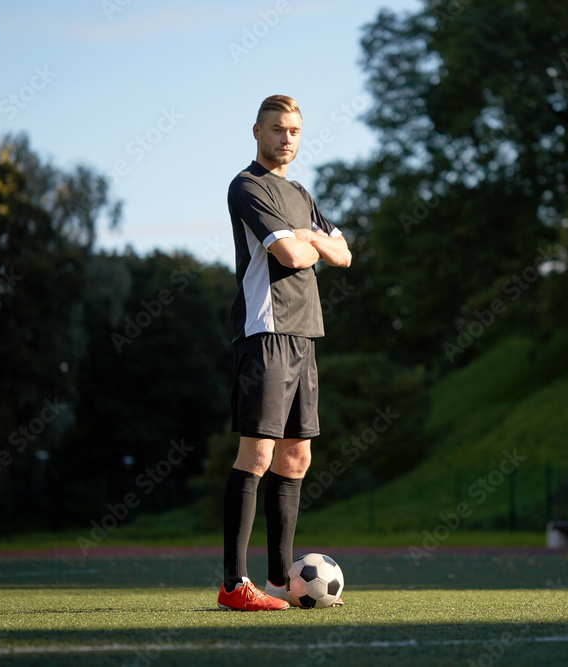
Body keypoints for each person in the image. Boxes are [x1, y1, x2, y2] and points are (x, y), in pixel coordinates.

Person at [217, 94, 351, 611]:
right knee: (258, 453)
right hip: (265, 333)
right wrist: (309, 239)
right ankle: (234, 585)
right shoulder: (247, 186)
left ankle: (278, 583)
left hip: (305, 336)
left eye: (293, 130)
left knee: (296, 457)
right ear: (256, 131)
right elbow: (294, 253)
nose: (286, 138)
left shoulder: (299, 192)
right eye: (276, 129)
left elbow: (343, 254)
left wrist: (309, 237)